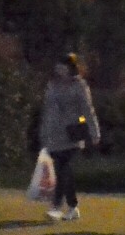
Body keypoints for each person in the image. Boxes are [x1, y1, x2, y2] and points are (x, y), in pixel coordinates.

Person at [39, 53, 100, 221]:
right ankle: (72, 207)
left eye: (63, 66)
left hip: (71, 133)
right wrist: (44, 133)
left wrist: (94, 132)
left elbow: (88, 110)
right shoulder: (52, 85)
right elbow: (47, 110)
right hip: (53, 134)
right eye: (58, 66)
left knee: (62, 169)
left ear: (70, 68)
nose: (59, 69)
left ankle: (57, 207)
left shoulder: (79, 86)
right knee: (62, 171)